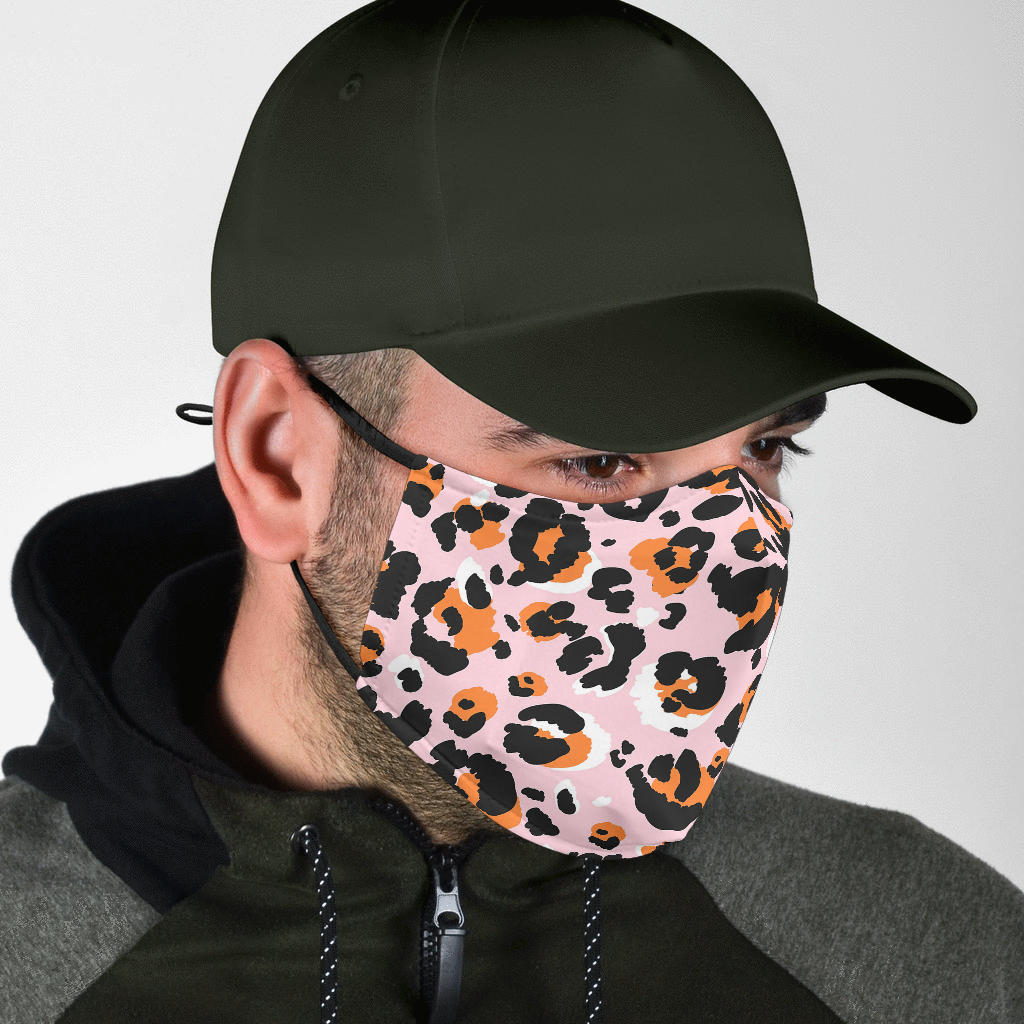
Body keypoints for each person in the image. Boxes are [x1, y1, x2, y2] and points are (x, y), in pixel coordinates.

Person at [2, 2, 1022, 1022]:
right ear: (277, 459)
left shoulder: (942, 959)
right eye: (600, 460)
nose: (723, 561)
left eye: (762, 449)